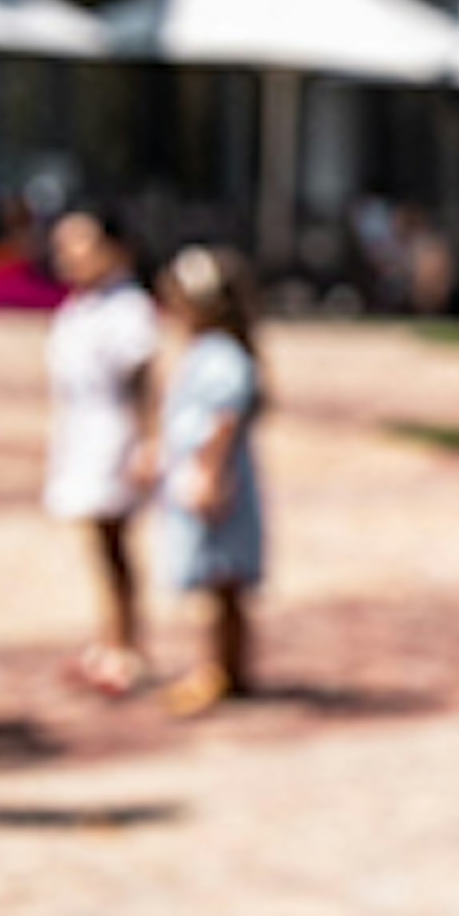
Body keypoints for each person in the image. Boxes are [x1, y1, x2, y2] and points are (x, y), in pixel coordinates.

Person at [42, 208, 166, 695]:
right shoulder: (80, 306)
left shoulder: (128, 309)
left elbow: (144, 383)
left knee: (115, 543)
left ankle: (126, 645)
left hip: (114, 433)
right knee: (97, 542)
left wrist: (149, 441)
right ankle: (109, 637)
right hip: (80, 430)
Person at [149, 245, 266, 714]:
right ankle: (225, 667)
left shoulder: (221, 355)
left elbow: (223, 419)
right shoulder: (208, 352)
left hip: (212, 476)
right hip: (200, 470)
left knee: (218, 579)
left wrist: (211, 474)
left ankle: (218, 668)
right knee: (219, 581)